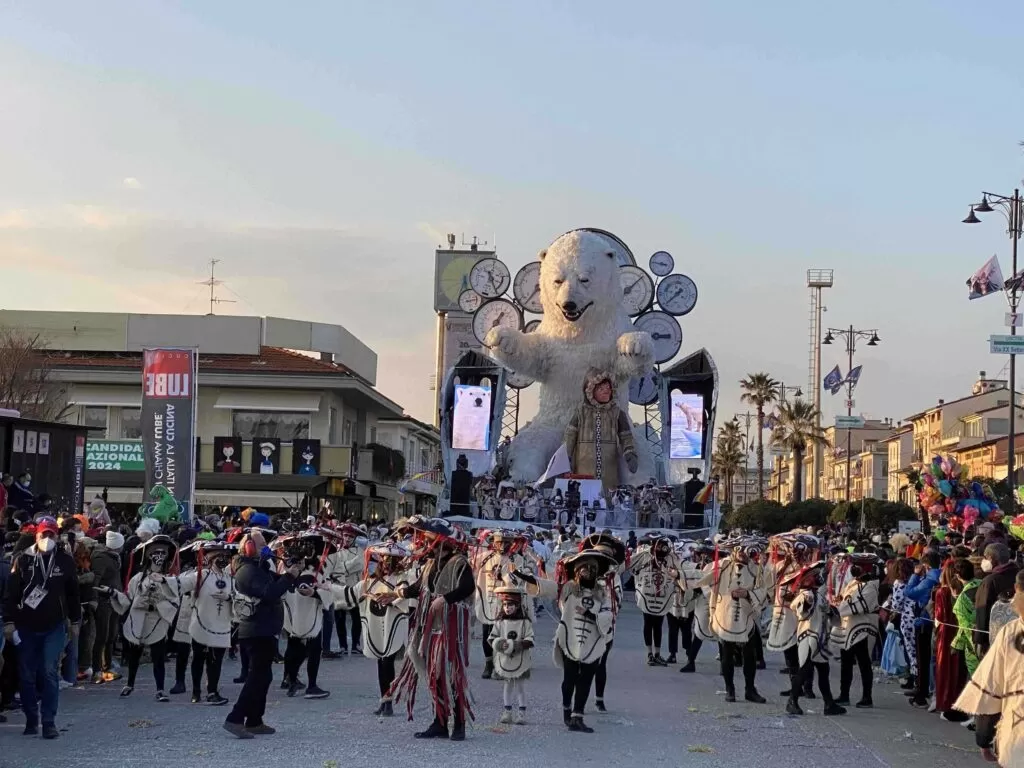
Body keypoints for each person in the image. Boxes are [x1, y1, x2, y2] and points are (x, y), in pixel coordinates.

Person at [386, 518, 475, 741]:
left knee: (453, 675)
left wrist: (446, 599)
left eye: (430, 540)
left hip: (451, 627)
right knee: (434, 675)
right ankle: (440, 722)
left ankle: (460, 723)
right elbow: (419, 588)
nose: (426, 543)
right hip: (430, 626)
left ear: (444, 542)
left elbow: (468, 587)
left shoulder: (460, 562)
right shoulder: (429, 564)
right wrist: (396, 594)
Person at [3, 516, 82, 738]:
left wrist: (75, 621)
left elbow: (73, 593)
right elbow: (11, 594)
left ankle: (49, 721)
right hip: (26, 625)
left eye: (51, 534)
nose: (47, 538)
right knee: (27, 675)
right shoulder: (23, 560)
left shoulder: (65, 560)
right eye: (43, 534)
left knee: (49, 672)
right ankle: (31, 718)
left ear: (56, 536)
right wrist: (9, 621)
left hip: (54, 625)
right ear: (36, 535)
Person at [223, 529, 300, 739]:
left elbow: (279, 582)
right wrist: (288, 576)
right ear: (248, 547)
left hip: (265, 629)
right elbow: (270, 593)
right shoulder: (246, 571)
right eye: (261, 543)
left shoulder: (259, 567)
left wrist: (291, 570)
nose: (266, 547)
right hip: (256, 630)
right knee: (256, 678)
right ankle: (235, 718)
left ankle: (255, 720)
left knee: (263, 677)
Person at [333, 541, 415, 715]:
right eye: (383, 559)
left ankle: (389, 701)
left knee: (387, 662)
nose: (386, 563)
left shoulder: (402, 578)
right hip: (376, 626)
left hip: (393, 626)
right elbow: (349, 593)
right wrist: (326, 587)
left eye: (390, 559)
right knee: (380, 663)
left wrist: (391, 597)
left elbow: (403, 596)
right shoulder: (370, 581)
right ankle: (384, 700)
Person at [953, 569, 1024, 765]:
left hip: (1017, 732)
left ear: (1017, 590)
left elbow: (991, 685)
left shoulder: (1010, 633)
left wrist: (984, 737)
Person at [111, 535, 180, 701]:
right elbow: (128, 599)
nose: (160, 556)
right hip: (138, 619)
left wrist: (159, 603)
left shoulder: (169, 580)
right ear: (148, 556)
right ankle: (130, 683)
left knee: (158, 656)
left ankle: (160, 689)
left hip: (156, 621)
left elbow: (175, 602)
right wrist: (112, 593)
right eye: (156, 552)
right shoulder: (137, 579)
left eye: (163, 553)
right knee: (134, 654)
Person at [700, 541, 767, 704]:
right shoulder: (722, 565)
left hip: (746, 617)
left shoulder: (755, 569)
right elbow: (704, 580)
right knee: (727, 654)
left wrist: (748, 594)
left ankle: (750, 690)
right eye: (739, 550)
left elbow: (764, 590)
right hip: (725, 614)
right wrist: (713, 597)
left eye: (745, 550)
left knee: (750, 655)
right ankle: (730, 689)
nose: (742, 553)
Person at [177, 541, 235, 704]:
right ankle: (196, 691)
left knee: (215, 660)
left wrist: (229, 597)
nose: (223, 559)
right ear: (209, 558)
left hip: (221, 623)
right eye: (219, 556)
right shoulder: (200, 575)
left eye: (226, 556)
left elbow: (238, 597)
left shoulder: (230, 578)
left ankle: (212, 691)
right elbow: (180, 585)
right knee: (198, 658)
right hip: (201, 622)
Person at [784, 561, 845, 716]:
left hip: (821, 638)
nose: (819, 577)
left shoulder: (818, 595)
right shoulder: (805, 595)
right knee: (804, 670)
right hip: (810, 637)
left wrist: (831, 610)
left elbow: (833, 619)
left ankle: (829, 704)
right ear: (807, 580)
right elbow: (801, 612)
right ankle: (792, 701)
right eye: (815, 576)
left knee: (823, 672)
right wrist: (807, 604)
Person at [829, 553, 882, 709]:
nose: (853, 569)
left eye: (856, 566)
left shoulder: (871, 587)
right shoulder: (853, 583)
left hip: (862, 627)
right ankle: (844, 694)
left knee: (864, 662)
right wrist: (838, 601)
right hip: (849, 626)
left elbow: (858, 606)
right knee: (846, 662)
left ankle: (867, 697)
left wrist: (838, 608)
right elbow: (846, 600)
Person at [628, 536, 683, 666]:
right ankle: (650, 653)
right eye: (658, 545)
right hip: (647, 595)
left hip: (662, 596)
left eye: (663, 546)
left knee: (658, 625)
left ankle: (657, 653)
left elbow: (680, 569)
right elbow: (631, 565)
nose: (660, 548)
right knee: (648, 623)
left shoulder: (670, 557)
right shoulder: (645, 555)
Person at [489, 584, 534, 725]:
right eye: (505, 605)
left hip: (521, 659)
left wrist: (518, 645)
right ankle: (507, 712)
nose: (507, 608)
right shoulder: (500, 622)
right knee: (507, 687)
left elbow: (530, 639)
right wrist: (499, 644)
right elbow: (491, 637)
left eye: (511, 605)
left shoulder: (525, 622)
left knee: (520, 687)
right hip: (505, 660)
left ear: (518, 606)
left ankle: (522, 714)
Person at [903, 550, 941, 708]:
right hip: (933, 620)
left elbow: (909, 592)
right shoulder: (941, 575)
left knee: (923, 659)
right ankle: (925, 689)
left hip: (924, 621)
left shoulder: (928, 580)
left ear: (925, 565)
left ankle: (922, 692)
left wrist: (915, 575)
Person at [973, 542, 1019, 658]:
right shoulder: (1019, 575)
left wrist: (980, 640)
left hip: (995, 638)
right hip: (1018, 636)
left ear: (991, 559)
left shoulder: (990, 581)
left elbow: (982, 611)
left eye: (985, 557)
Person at [90, 530, 123, 683]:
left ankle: (107, 667)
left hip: (114, 600)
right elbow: (95, 580)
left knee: (111, 635)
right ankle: (96, 670)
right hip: (104, 601)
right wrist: (94, 599)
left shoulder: (115, 558)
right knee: (102, 636)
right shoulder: (101, 558)